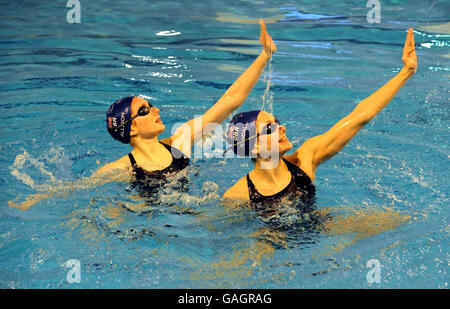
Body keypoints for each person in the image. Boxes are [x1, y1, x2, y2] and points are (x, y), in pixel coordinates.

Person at [10, 20, 277, 210]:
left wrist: (263, 56)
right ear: (132, 128)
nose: (156, 110)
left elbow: (230, 101)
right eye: (144, 110)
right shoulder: (122, 169)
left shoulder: (180, 144)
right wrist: (33, 200)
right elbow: (74, 189)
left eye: (151, 105)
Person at [223, 28, 418, 213]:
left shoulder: (306, 159)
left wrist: (406, 72)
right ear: (254, 147)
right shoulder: (238, 196)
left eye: (277, 121)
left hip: (319, 230)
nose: (281, 128)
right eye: (269, 128)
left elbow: (360, 117)